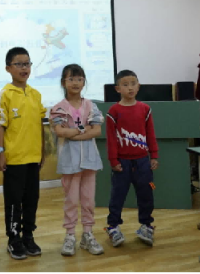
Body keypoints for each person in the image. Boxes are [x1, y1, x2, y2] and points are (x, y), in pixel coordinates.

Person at [0, 47, 47, 260]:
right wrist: (0, 153)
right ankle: (14, 239)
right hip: (14, 159)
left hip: (33, 157)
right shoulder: (5, 94)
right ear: (8, 68)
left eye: (27, 64)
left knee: (32, 199)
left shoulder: (35, 94)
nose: (24, 68)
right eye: (19, 64)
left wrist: (43, 150)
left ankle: (28, 236)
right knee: (14, 200)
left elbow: (40, 124)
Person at [50, 64, 105, 257]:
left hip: (90, 160)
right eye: (71, 79)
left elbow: (97, 130)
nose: (76, 83)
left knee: (88, 200)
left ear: (84, 82)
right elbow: (60, 131)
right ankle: (70, 235)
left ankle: (88, 234)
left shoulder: (91, 105)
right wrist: (83, 130)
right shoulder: (58, 108)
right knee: (71, 200)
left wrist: (73, 133)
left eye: (80, 79)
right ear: (63, 82)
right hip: (69, 161)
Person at [105, 70, 159, 248]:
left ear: (139, 86)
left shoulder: (145, 109)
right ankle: (113, 227)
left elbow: (150, 133)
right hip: (122, 163)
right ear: (117, 89)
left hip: (143, 161)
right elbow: (111, 139)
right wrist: (113, 161)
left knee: (146, 193)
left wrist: (154, 155)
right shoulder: (113, 111)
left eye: (133, 84)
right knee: (117, 195)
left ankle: (146, 225)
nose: (130, 88)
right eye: (125, 84)